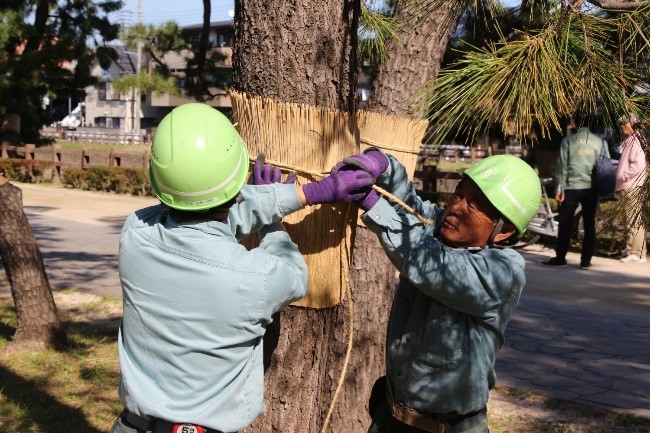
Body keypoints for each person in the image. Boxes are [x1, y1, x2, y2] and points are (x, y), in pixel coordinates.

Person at [111, 103, 376, 433]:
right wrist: (275, 217)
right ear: (236, 187)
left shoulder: (135, 233)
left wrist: (305, 193)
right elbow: (292, 272)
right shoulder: (259, 277)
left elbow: (207, 218)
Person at [336, 149, 541, 433]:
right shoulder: (442, 229)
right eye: (459, 192)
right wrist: (382, 165)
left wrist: (372, 203)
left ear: (503, 231)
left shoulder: (503, 272)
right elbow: (406, 206)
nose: (456, 207)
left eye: (476, 204)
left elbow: (431, 263)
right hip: (390, 419)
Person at [542, 119, 608, 269]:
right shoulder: (599, 142)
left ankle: (560, 258)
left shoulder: (568, 141)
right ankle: (586, 261)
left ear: (576, 124)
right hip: (591, 188)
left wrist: (560, 188)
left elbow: (562, 167)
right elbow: (605, 166)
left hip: (571, 187)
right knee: (589, 224)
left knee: (565, 223)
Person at [615, 113, 647, 263]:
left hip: (632, 185)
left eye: (624, 124)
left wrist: (623, 176)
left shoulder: (635, 141)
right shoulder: (631, 140)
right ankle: (630, 251)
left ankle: (637, 252)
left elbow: (639, 165)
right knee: (629, 220)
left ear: (632, 124)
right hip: (629, 184)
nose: (622, 127)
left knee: (634, 220)